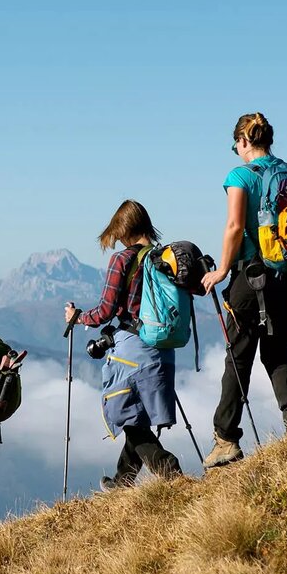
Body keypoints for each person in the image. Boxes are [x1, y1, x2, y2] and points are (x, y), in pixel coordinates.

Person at [200, 112, 287, 468]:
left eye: (236, 143)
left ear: (243, 142)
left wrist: (220, 270)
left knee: (238, 356)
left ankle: (226, 439)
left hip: (252, 278)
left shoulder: (240, 176)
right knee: (277, 353)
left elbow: (234, 227)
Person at [65, 201, 181, 490]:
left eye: (117, 235)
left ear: (125, 230)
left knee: (127, 414)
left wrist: (78, 318)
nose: (117, 241)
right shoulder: (166, 258)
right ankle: (122, 481)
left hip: (133, 351)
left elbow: (106, 310)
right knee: (138, 416)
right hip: (163, 347)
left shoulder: (123, 259)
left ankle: (170, 471)